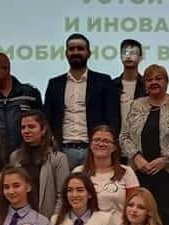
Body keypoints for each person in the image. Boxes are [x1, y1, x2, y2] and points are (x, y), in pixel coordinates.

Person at [121, 63, 169, 225]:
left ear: (167, 82)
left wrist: (166, 159)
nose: (153, 82)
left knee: (167, 220)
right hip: (141, 172)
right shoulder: (136, 105)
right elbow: (124, 136)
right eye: (149, 79)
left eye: (158, 79)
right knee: (141, 217)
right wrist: (136, 157)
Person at [46, 34, 122, 166]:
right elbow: (47, 118)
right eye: (72, 49)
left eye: (80, 48)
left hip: (95, 149)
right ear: (66, 53)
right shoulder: (55, 84)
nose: (76, 52)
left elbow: (113, 117)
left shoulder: (103, 81)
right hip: (62, 150)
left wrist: (107, 146)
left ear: (89, 53)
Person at [8, 110, 70, 218]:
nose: (26, 131)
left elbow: (62, 196)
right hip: (20, 219)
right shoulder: (15, 157)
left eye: (31, 127)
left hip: (47, 219)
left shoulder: (58, 159)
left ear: (43, 129)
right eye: (23, 127)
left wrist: (54, 221)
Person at [74, 124, 139, 215]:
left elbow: (135, 205)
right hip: (88, 223)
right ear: (90, 145)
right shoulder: (78, 172)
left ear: (114, 147)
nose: (101, 144)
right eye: (96, 140)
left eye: (106, 141)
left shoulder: (127, 172)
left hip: (118, 224)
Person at [113, 38, 148, 118]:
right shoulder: (111, 85)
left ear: (140, 58)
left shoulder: (147, 85)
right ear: (120, 57)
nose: (128, 56)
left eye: (133, 53)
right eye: (125, 53)